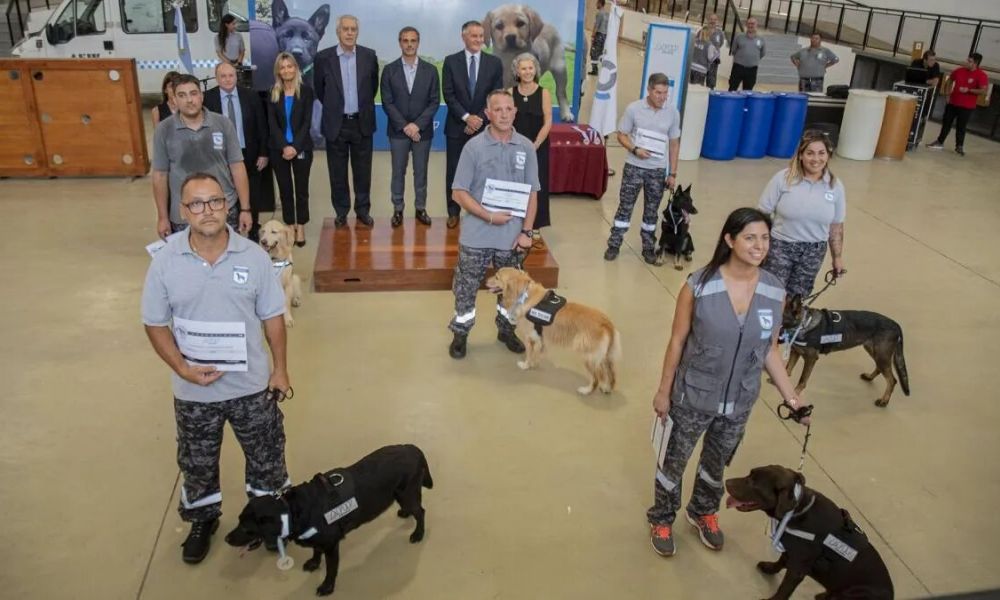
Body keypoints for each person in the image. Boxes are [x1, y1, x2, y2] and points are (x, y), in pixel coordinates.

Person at [141, 172, 291, 565]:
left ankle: (269, 519)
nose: (206, 211)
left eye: (214, 202)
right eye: (196, 203)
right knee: (197, 462)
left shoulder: (254, 257)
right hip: (193, 392)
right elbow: (155, 324)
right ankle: (203, 520)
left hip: (251, 387)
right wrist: (182, 369)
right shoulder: (165, 261)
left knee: (266, 458)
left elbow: (273, 316)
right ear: (182, 210)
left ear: (228, 205)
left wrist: (280, 370)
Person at [647, 207, 810, 557]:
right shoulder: (699, 285)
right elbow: (677, 341)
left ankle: (703, 511)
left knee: (716, 465)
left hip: (739, 401)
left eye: (765, 238)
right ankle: (661, 517)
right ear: (730, 239)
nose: (759, 245)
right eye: (750, 237)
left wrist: (793, 400)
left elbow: (770, 349)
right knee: (672, 463)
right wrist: (664, 392)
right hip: (693, 396)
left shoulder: (774, 289)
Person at [447, 90, 538, 360]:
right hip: (476, 235)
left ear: (515, 112)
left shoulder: (526, 147)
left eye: (509, 109)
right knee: (465, 288)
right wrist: (489, 216)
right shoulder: (473, 147)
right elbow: (458, 192)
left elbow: (533, 192)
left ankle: (506, 330)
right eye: (497, 109)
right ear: (487, 113)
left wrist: (527, 232)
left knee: (512, 291)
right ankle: (461, 334)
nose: (504, 114)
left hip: (511, 239)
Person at [152, 74, 252, 238]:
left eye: (193, 93)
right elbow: (160, 175)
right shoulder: (164, 130)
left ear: (201, 96)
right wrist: (162, 217)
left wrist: (245, 209)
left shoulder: (223, 124)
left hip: (224, 209)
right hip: (184, 215)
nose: (189, 100)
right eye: (182, 95)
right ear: (174, 100)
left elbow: (237, 167)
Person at [758, 130, 846, 299]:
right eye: (810, 153)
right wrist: (761, 245)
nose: (816, 159)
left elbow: (836, 226)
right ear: (800, 155)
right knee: (770, 293)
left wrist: (837, 258)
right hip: (780, 246)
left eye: (821, 153)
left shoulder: (835, 186)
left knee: (798, 298)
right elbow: (761, 214)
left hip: (813, 251)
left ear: (828, 155)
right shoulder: (783, 179)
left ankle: (789, 326)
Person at [604, 73, 680, 265]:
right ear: (649, 90)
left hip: (657, 170)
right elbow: (621, 135)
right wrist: (635, 149)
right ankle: (614, 243)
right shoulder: (634, 109)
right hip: (634, 167)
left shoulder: (672, 112)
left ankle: (648, 247)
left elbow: (674, 144)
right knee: (625, 207)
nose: (662, 97)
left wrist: (672, 173)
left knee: (652, 212)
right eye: (658, 92)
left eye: (665, 93)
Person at [314, 15, 379, 227]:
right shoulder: (324, 58)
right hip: (337, 124)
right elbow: (320, 90)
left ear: (357, 32)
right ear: (338, 32)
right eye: (345, 29)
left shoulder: (369, 56)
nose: (350, 33)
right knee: (337, 173)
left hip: (361, 123)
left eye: (353, 29)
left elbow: (372, 86)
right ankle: (341, 212)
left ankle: (362, 210)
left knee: (363, 172)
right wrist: (335, 110)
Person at [442, 20, 504, 229]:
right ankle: (453, 212)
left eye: (481, 36)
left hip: (484, 128)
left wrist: (478, 119)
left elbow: (495, 96)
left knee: (483, 172)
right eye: (473, 36)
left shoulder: (494, 63)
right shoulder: (450, 62)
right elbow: (449, 95)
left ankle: (480, 213)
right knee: (454, 171)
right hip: (456, 127)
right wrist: (467, 117)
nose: (478, 40)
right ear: (464, 37)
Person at [380, 26, 439, 228]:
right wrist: (406, 126)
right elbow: (387, 102)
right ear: (400, 43)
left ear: (418, 42)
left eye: (413, 40)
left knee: (420, 172)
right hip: (398, 132)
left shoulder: (430, 71)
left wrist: (417, 126)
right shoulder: (389, 70)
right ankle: (398, 209)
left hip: (423, 132)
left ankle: (420, 207)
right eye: (405, 40)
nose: (409, 44)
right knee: (398, 172)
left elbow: (434, 102)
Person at [204, 62, 270, 242]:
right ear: (216, 78)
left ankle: (253, 229)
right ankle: (227, 232)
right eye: (223, 76)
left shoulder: (251, 96)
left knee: (252, 195)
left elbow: (262, 125)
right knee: (223, 194)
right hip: (220, 156)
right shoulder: (207, 99)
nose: (227, 79)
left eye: (230, 75)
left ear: (236, 76)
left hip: (248, 153)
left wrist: (263, 152)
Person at [267, 52, 315, 246]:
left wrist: (294, 147)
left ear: (296, 68)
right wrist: (284, 146)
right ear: (278, 70)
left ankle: (300, 225)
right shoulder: (273, 92)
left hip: (301, 147)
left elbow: (306, 123)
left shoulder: (306, 91)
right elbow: (272, 124)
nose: (286, 70)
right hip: (278, 149)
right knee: (285, 190)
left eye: (290, 66)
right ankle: (289, 225)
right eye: (282, 67)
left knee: (301, 190)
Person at [510, 53, 552, 232]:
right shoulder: (509, 92)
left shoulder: (544, 93)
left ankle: (535, 226)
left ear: (535, 70)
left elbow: (548, 121)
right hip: (514, 147)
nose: (527, 72)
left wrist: (535, 145)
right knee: (514, 183)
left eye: (530, 68)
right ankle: (514, 221)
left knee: (537, 184)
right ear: (517, 72)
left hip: (538, 147)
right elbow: (506, 121)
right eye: (523, 68)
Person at [927, 53, 988, 157]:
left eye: (970, 61)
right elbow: (949, 80)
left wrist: (969, 90)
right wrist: (947, 94)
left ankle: (959, 146)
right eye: (967, 60)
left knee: (961, 126)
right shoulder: (959, 71)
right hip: (953, 103)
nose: (967, 63)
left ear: (975, 63)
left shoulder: (981, 75)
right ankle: (939, 142)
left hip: (967, 106)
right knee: (946, 123)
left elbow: (983, 91)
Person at [728, 17, 765, 92]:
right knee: (732, 88)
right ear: (746, 25)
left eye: (753, 24)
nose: (750, 25)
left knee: (748, 91)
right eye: (749, 23)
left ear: (756, 25)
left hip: (752, 70)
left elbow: (762, 53)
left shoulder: (761, 39)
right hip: (738, 68)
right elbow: (733, 50)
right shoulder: (739, 37)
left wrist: (752, 59)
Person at [703, 13, 725, 89]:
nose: (712, 21)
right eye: (711, 19)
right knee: (699, 82)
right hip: (702, 60)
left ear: (717, 21)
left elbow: (720, 44)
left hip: (714, 62)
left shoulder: (720, 33)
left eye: (714, 19)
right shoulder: (703, 30)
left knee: (711, 82)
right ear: (708, 20)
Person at [589, 0, 609, 76]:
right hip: (604, 36)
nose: (596, 4)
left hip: (599, 35)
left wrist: (592, 36)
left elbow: (596, 26)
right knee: (600, 53)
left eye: (597, 3)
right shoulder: (607, 14)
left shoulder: (599, 13)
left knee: (593, 53)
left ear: (600, 4)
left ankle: (595, 70)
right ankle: (603, 70)